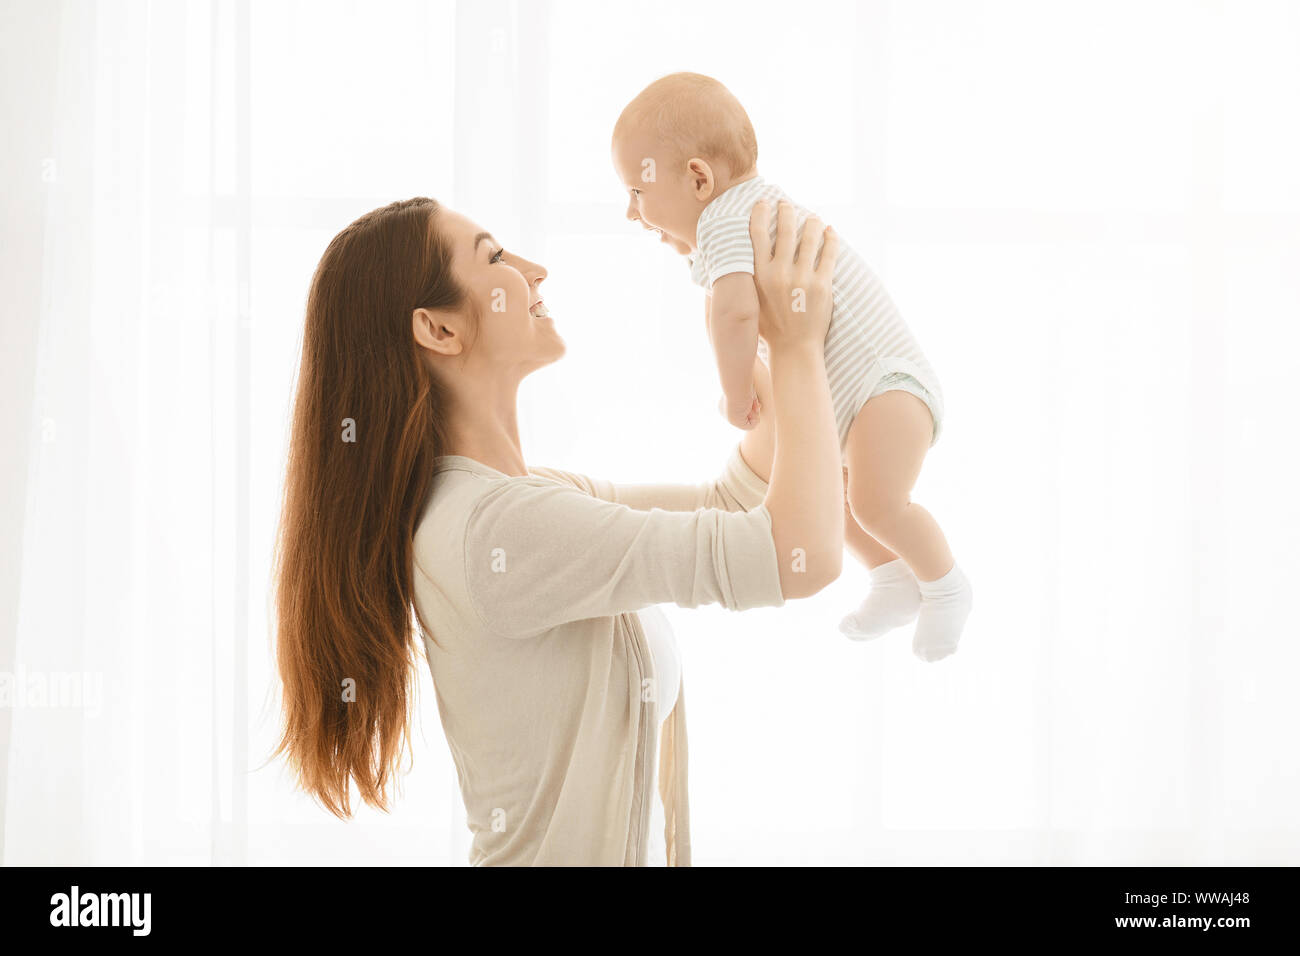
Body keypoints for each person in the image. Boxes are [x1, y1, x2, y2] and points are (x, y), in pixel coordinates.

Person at [271, 194, 842, 865]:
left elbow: (733, 501)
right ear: (440, 330)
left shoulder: (525, 501)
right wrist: (800, 346)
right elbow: (798, 557)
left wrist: (757, 329)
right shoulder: (499, 531)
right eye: (494, 257)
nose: (535, 270)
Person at [611, 71, 974, 662]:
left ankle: (946, 584)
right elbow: (726, 311)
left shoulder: (728, 220)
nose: (631, 211)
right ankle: (892, 579)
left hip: (888, 386)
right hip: (865, 400)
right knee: (832, 497)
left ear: (699, 179)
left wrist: (735, 397)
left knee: (877, 505)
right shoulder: (743, 211)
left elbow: (733, 316)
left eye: (637, 190)